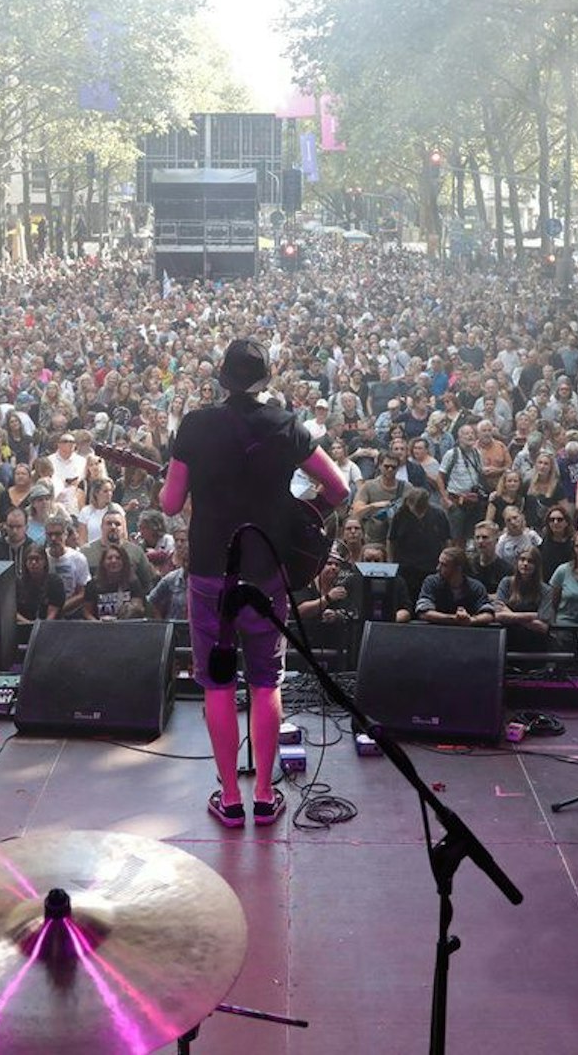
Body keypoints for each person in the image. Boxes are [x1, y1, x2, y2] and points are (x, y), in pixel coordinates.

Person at [159, 338, 349, 830]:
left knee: (217, 681)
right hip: (267, 571)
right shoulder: (288, 426)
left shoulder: (196, 426)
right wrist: (302, 515)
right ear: (266, 380)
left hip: (208, 571)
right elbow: (340, 489)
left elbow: (170, 504)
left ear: (223, 378)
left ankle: (229, 797)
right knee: (266, 680)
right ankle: (264, 797)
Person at [413, 545, 499, 626]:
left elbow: (488, 614)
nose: (438, 568)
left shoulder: (476, 587)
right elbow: (423, 613)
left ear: (458, 568)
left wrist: (471, 620)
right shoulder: (431, 582)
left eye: (444, 565)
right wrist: (454, 618)